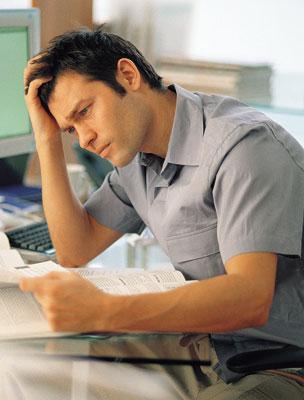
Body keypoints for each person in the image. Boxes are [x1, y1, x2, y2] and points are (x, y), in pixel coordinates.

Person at [19, 29, 304, 398]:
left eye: (85, 112)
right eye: (71, 129)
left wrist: (105, 311)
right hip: (208, 347)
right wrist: (46, 139)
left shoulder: (243, 148)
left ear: (128, 75)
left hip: (281, 365)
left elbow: (250, 297)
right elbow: (75, 248)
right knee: (32, 371)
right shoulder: (136, 159)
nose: (84, 138)